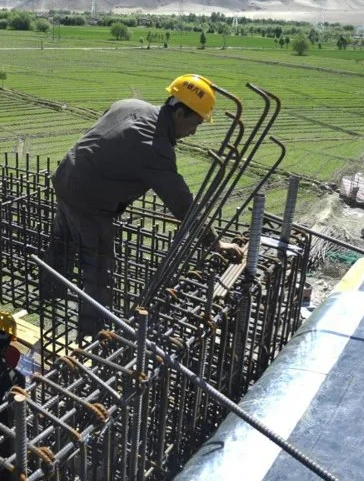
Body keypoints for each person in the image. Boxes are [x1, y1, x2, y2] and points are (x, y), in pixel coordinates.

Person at [41, 74, 244, 339]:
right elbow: (183, 204)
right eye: (195, 124)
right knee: (99, 271)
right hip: (90, 204)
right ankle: (92, 338)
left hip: (66, 176)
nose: (193, 132)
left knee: (63, 243)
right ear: (181, 113)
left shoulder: (131, 105)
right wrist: (215, 244)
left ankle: (48, 294)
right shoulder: (155, 148)